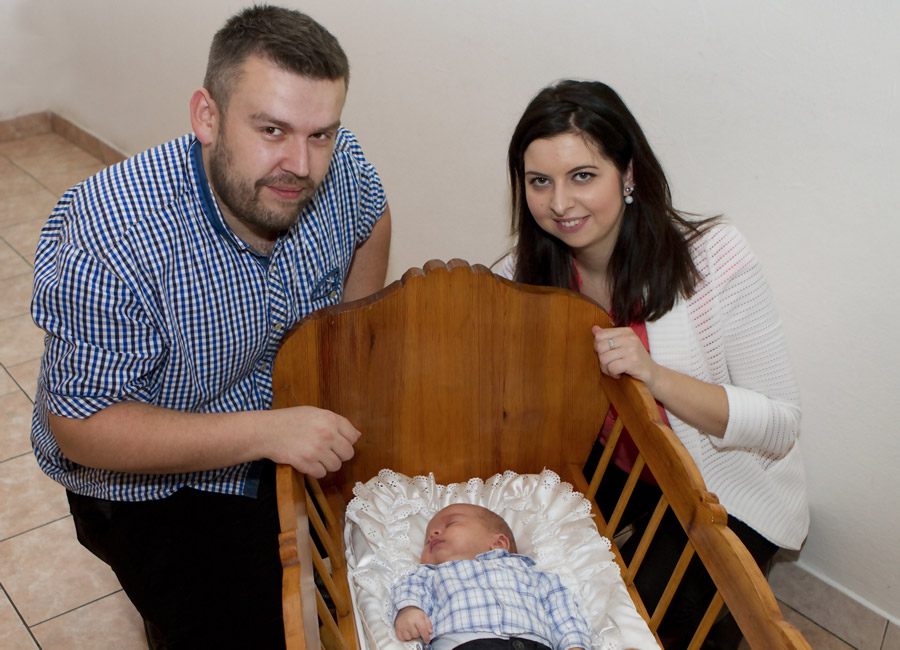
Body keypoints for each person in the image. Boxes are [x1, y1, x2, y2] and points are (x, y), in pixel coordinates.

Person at [30, 5, 391, 648]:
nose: (301, 165)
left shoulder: (339, 166)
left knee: (293, 600)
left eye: (321, 134)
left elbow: (373, 212)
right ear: (207, 116)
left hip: (277, 433)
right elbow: (81, 425)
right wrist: (269, 431)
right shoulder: (109, 236)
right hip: (152, 492)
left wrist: (349, 341)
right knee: (211, 626)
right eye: (272, 129)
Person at [499, 80, 808, 649]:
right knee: (513, 553)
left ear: (629, 174)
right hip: (619, 463)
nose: (559, 204)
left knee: (647, 624)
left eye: (582, 176)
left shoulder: (714, 258)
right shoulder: (531, 270)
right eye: (540, 181)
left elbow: (780, 425)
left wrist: (656, 377)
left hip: (723, 485)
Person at [391, 504, 592, 650]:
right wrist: (409, 610)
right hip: (465, 644)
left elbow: (563, 611)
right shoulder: (431, 573)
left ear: (498, 543)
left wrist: (574, 645)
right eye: (427, 541)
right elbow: (411, 588)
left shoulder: (535, 576)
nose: (433, 534)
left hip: (534, 644)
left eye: (451, 523)